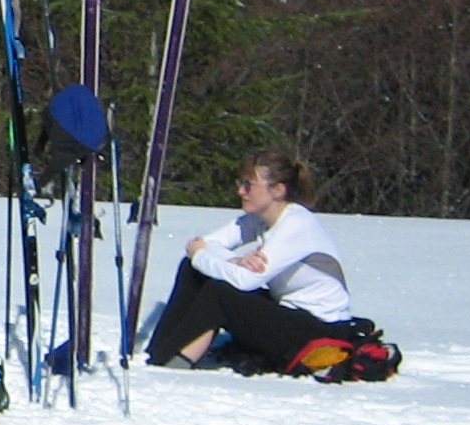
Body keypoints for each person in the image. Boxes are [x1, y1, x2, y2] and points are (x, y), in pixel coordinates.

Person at [146, 148, 362, 373]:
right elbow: (205, 244)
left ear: (278, 190)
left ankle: (174, 362)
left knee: (219, 293)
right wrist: (234, 260)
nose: (241, 191)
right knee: (194, 269)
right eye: (241, 183)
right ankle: (159, 350)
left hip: (320, 330)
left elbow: (242, 279)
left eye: (249, 185)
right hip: (291, 315)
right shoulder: (259, 219)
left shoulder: (298, 224)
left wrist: (206, 256)